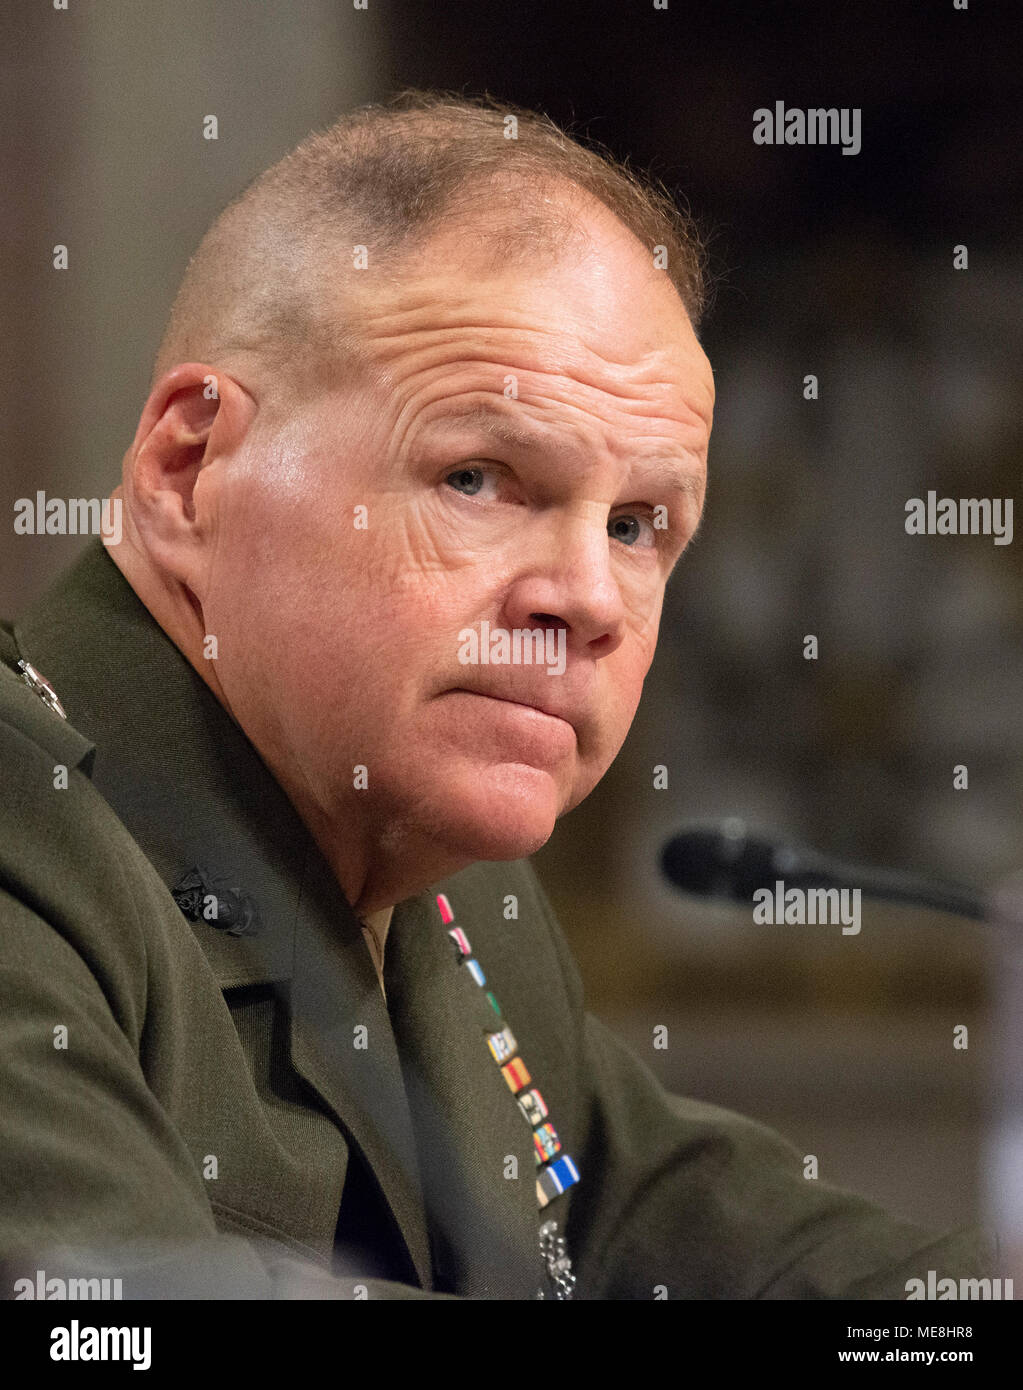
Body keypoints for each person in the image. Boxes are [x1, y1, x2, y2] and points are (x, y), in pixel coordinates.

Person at [0, 89, 994, 1300]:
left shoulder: (457, 893)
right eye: (479, 477)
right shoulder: (31, 826)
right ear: (189, 469)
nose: (589, 597)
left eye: (638, 524)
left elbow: (722, 1240)